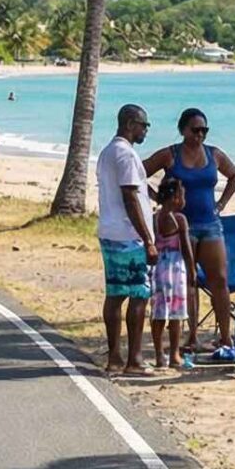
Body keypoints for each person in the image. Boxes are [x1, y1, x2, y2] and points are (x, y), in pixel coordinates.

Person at [145, 108, 235, 355]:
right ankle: (192, 337)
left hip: (210, 224)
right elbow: (138, 172)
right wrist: (160, 200)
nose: (200, 135)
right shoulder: (170, 154)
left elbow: (234, 175)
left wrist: (221, 205)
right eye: (195, 130)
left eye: (204, 130)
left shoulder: (214, 154)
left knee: (219, 280)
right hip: (181, 227)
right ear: (183, 130)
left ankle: (225, 337)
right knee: (188, 282)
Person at [94, 104, 155, 377]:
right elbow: (130, 197)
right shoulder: (127, 155)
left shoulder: (108, 152)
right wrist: (149, 240)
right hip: (129, 235)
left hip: (109, 231)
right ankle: (135, 359)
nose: (146, 130)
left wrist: (156, 196)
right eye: (143, 125)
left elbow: (137, 189)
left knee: (115, 295)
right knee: (139, 295)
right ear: (130, 124)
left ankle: (115, 357)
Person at [148, 174, 193, 371]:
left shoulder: (154, 219)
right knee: (176, 313)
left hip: (158, 269)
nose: (184, 200)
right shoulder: (180, 220)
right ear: (175, 198)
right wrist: (192, 271)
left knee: (158, 312)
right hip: (176, 270)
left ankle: (159, 354)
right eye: (182, 195)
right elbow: (186, 249)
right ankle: (174, 353)